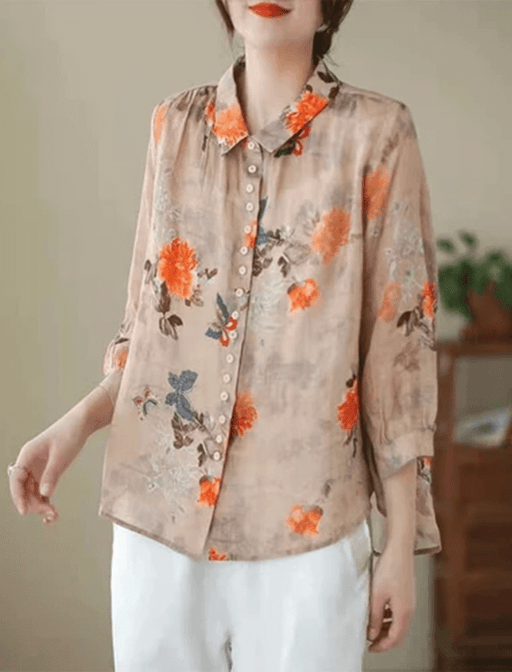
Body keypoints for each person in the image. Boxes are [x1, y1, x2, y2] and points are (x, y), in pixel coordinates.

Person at [8, 0, 442, 670]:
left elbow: (399, 352)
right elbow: (151, 329)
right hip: (159, 523)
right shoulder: (173, 127)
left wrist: (400, 546)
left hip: (308, 528)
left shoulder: (377, 135)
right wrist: (78, 423)